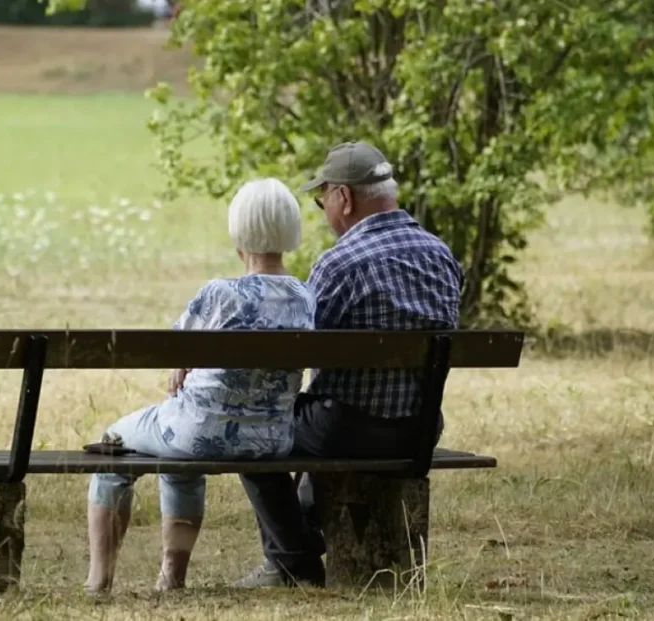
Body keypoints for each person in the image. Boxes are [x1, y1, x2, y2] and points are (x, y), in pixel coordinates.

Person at [232, 141, 465, 588]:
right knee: (313, 419)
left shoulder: (339, 264)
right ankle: (299, 540)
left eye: (322, 201)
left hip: (346, 430)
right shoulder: (442, 256)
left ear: (344, 197)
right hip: (419, 430)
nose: (324, 212)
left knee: (250, 427)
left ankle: (293, 561)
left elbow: (298, 351)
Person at [84, 177, 317, 593]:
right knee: (177, 451)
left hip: (198, 432)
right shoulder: (305, 297)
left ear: (239, 232)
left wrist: (184, 363)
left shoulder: (219, 294)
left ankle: (99, 581)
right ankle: (170, 577)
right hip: (271, 440)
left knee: (114, 444)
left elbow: (174, 351)